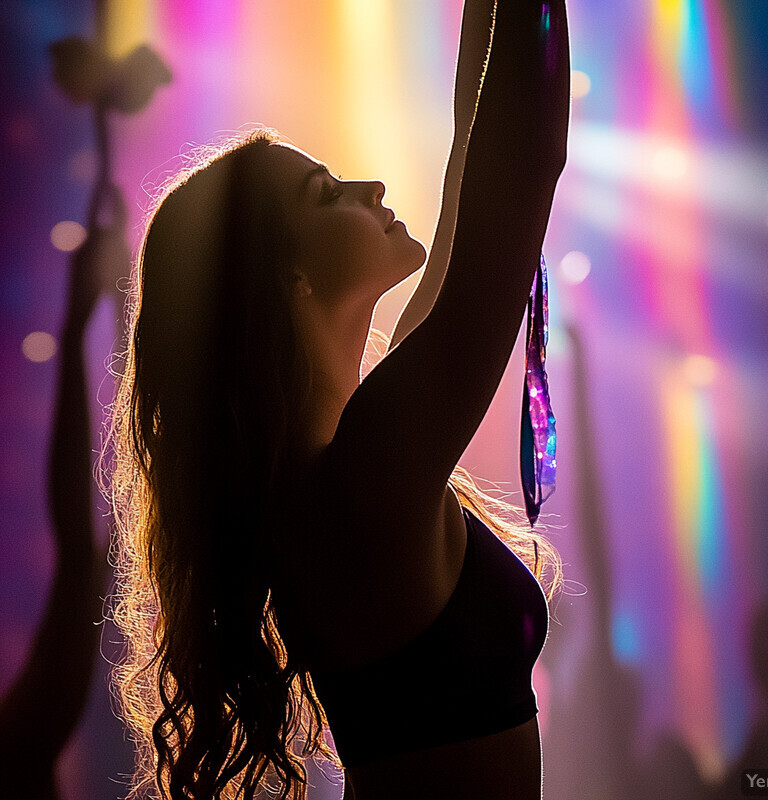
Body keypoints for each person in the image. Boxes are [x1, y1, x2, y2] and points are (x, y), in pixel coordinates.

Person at [108, 0, 570, 798]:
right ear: (285, 279)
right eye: (328, 193)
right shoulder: (361, 480)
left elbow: (475, 149)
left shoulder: (345, 465)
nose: (373, 184)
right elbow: (521, 165)